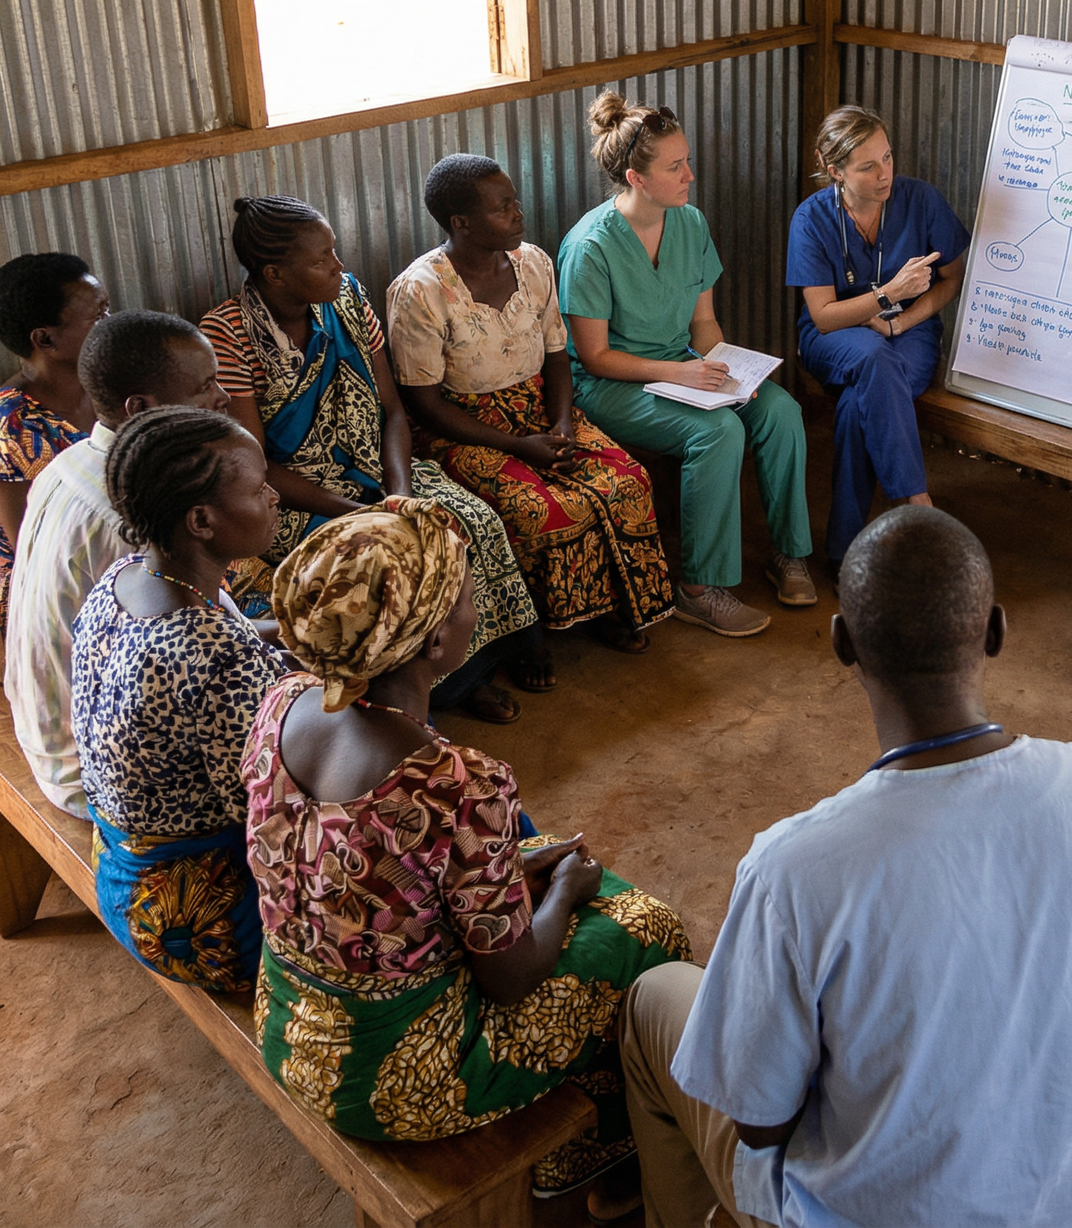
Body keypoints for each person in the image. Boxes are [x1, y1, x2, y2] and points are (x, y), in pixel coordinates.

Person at [617, 506, 1072, 1228]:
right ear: (996, 631)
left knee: (654, 1000)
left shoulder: (795, 867)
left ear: (841, 643)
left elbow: (761, 1121)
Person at [246, 499, 690, 1206]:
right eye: (464, 597)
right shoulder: (456, 783)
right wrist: (570, 891)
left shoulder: (283, 704)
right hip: (399, 1076)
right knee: (642, 929)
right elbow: (511, 981)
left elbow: (370, 869)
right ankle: (590, 1152)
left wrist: (510, 870)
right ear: (430, 645)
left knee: (536, 854)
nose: (474, 606)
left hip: (291, 1026)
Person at [200, 195, 545, 720]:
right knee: (372, 561)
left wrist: (400, 489)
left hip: (381, 469)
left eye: (334, 252)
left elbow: (393, 411)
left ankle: (463, 677)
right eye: (321, 260)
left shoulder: (350, 299)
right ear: (274, 273)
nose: (338, 266)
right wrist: (354, 512)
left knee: (468, 522)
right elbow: (254, 464)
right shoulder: (227, 333)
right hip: (296, 496)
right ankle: (394, 696)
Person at [388, 154, 674, 656]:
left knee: (626, 481)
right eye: (503, 208)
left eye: (514, 200)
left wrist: (562, 424)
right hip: (464, 425)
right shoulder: (422, 291)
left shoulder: (533, 263)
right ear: (462, 223)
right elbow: (425, 404)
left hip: (540, 408)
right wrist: (517, 446)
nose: (518, 213)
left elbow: (557, 356)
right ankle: (533, 636)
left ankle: (609, 607)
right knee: (542, 509)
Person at [558, 94, 815, 638]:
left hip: (683, 367)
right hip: (611, 384)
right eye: (675, 167)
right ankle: (699, 589)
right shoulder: (590, 247)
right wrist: (684, 376)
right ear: (637, 177)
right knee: (718, 432)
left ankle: (789, 554)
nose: (690, 175)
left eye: (687, 161)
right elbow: (595, 357)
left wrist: (724, 369)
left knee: (780, 411)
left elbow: (704, 325)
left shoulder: (690, 224)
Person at [71, 405, 286, 992]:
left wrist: (290, 632)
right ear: (201, 520)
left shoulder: (125, 578)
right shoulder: (213, 653)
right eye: (256, 487)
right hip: (201, 917)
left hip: (121, 868)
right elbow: (268, 821)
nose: (272, 496)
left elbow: (222, 650)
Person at [5, 311, 233, 817]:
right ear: (142, 407)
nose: (223, 398)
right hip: (92, 771)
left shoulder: (71, 463)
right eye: (205, 386)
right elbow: (211, 661)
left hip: (47, 729)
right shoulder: (132, 519)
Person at [785, 106, 970, 570]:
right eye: (868, 166)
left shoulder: (920, 200)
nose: (885, 173)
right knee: (871, 358)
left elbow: (953, 278)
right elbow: (824, 317)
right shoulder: (811, 219)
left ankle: (846, 556)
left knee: (856, 407)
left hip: (909, 331)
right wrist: (888, 294)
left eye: (887, 158)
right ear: (835, 172)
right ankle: (913, 499)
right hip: (836, 337)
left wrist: (901, 321)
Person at [0, 252, 109, 632]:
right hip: (55, 581)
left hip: (114, 545)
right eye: (98, 315)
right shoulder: (12, 426)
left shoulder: (109, 385)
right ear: (45, 339)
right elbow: (31, 545)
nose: (110, 322)